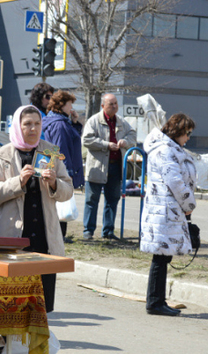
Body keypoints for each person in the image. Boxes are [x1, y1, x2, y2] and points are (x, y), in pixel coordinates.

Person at [0, 105, 74, 313]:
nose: (33, 128)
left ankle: (36, 345)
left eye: (37, 123)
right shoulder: (1, 155)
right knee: (10, 304)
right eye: (27, 124)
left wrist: (54, 184)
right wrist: (18, 182)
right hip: (11, 241)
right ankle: (7, 345)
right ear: (17, 126)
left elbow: (68, 191)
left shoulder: (51, 152)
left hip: (43, 240)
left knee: (40, 306)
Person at [140, 114, 197, 317]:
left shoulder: (167, 148)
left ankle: (157, 301)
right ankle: (155, 302)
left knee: (162, 256)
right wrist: (189, 204)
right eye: (187, 133)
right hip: (164, 210)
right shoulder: (165, 151)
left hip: (165, 210)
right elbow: (175, 182)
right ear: (178, 131)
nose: (188, 138)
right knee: (161, 257)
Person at [81, 94, 137, 240]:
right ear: (103, 106)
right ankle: (88, 231)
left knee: (112, 200)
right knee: (92, 200)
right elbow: (86, 139)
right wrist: (106, 145)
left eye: (116, 103)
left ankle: (108, 231)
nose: (114, 106)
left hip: (116, 167)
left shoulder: (122, 122)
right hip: (97, 167)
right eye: (111, 104)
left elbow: (133, 135)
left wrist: (125, 141)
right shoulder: (94, 121)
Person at [42, 90, 84, 239]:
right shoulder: (60, 124)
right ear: (61, 105)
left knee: (57, 207)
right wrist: (67, 174)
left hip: (56, 169)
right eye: (69, 104)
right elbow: (61, 150)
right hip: (61, 170)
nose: (71, 108)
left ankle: (57, 236)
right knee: (60, 206)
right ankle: (58, 238)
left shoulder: (60, 121)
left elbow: (71, 140)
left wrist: (74, 123)